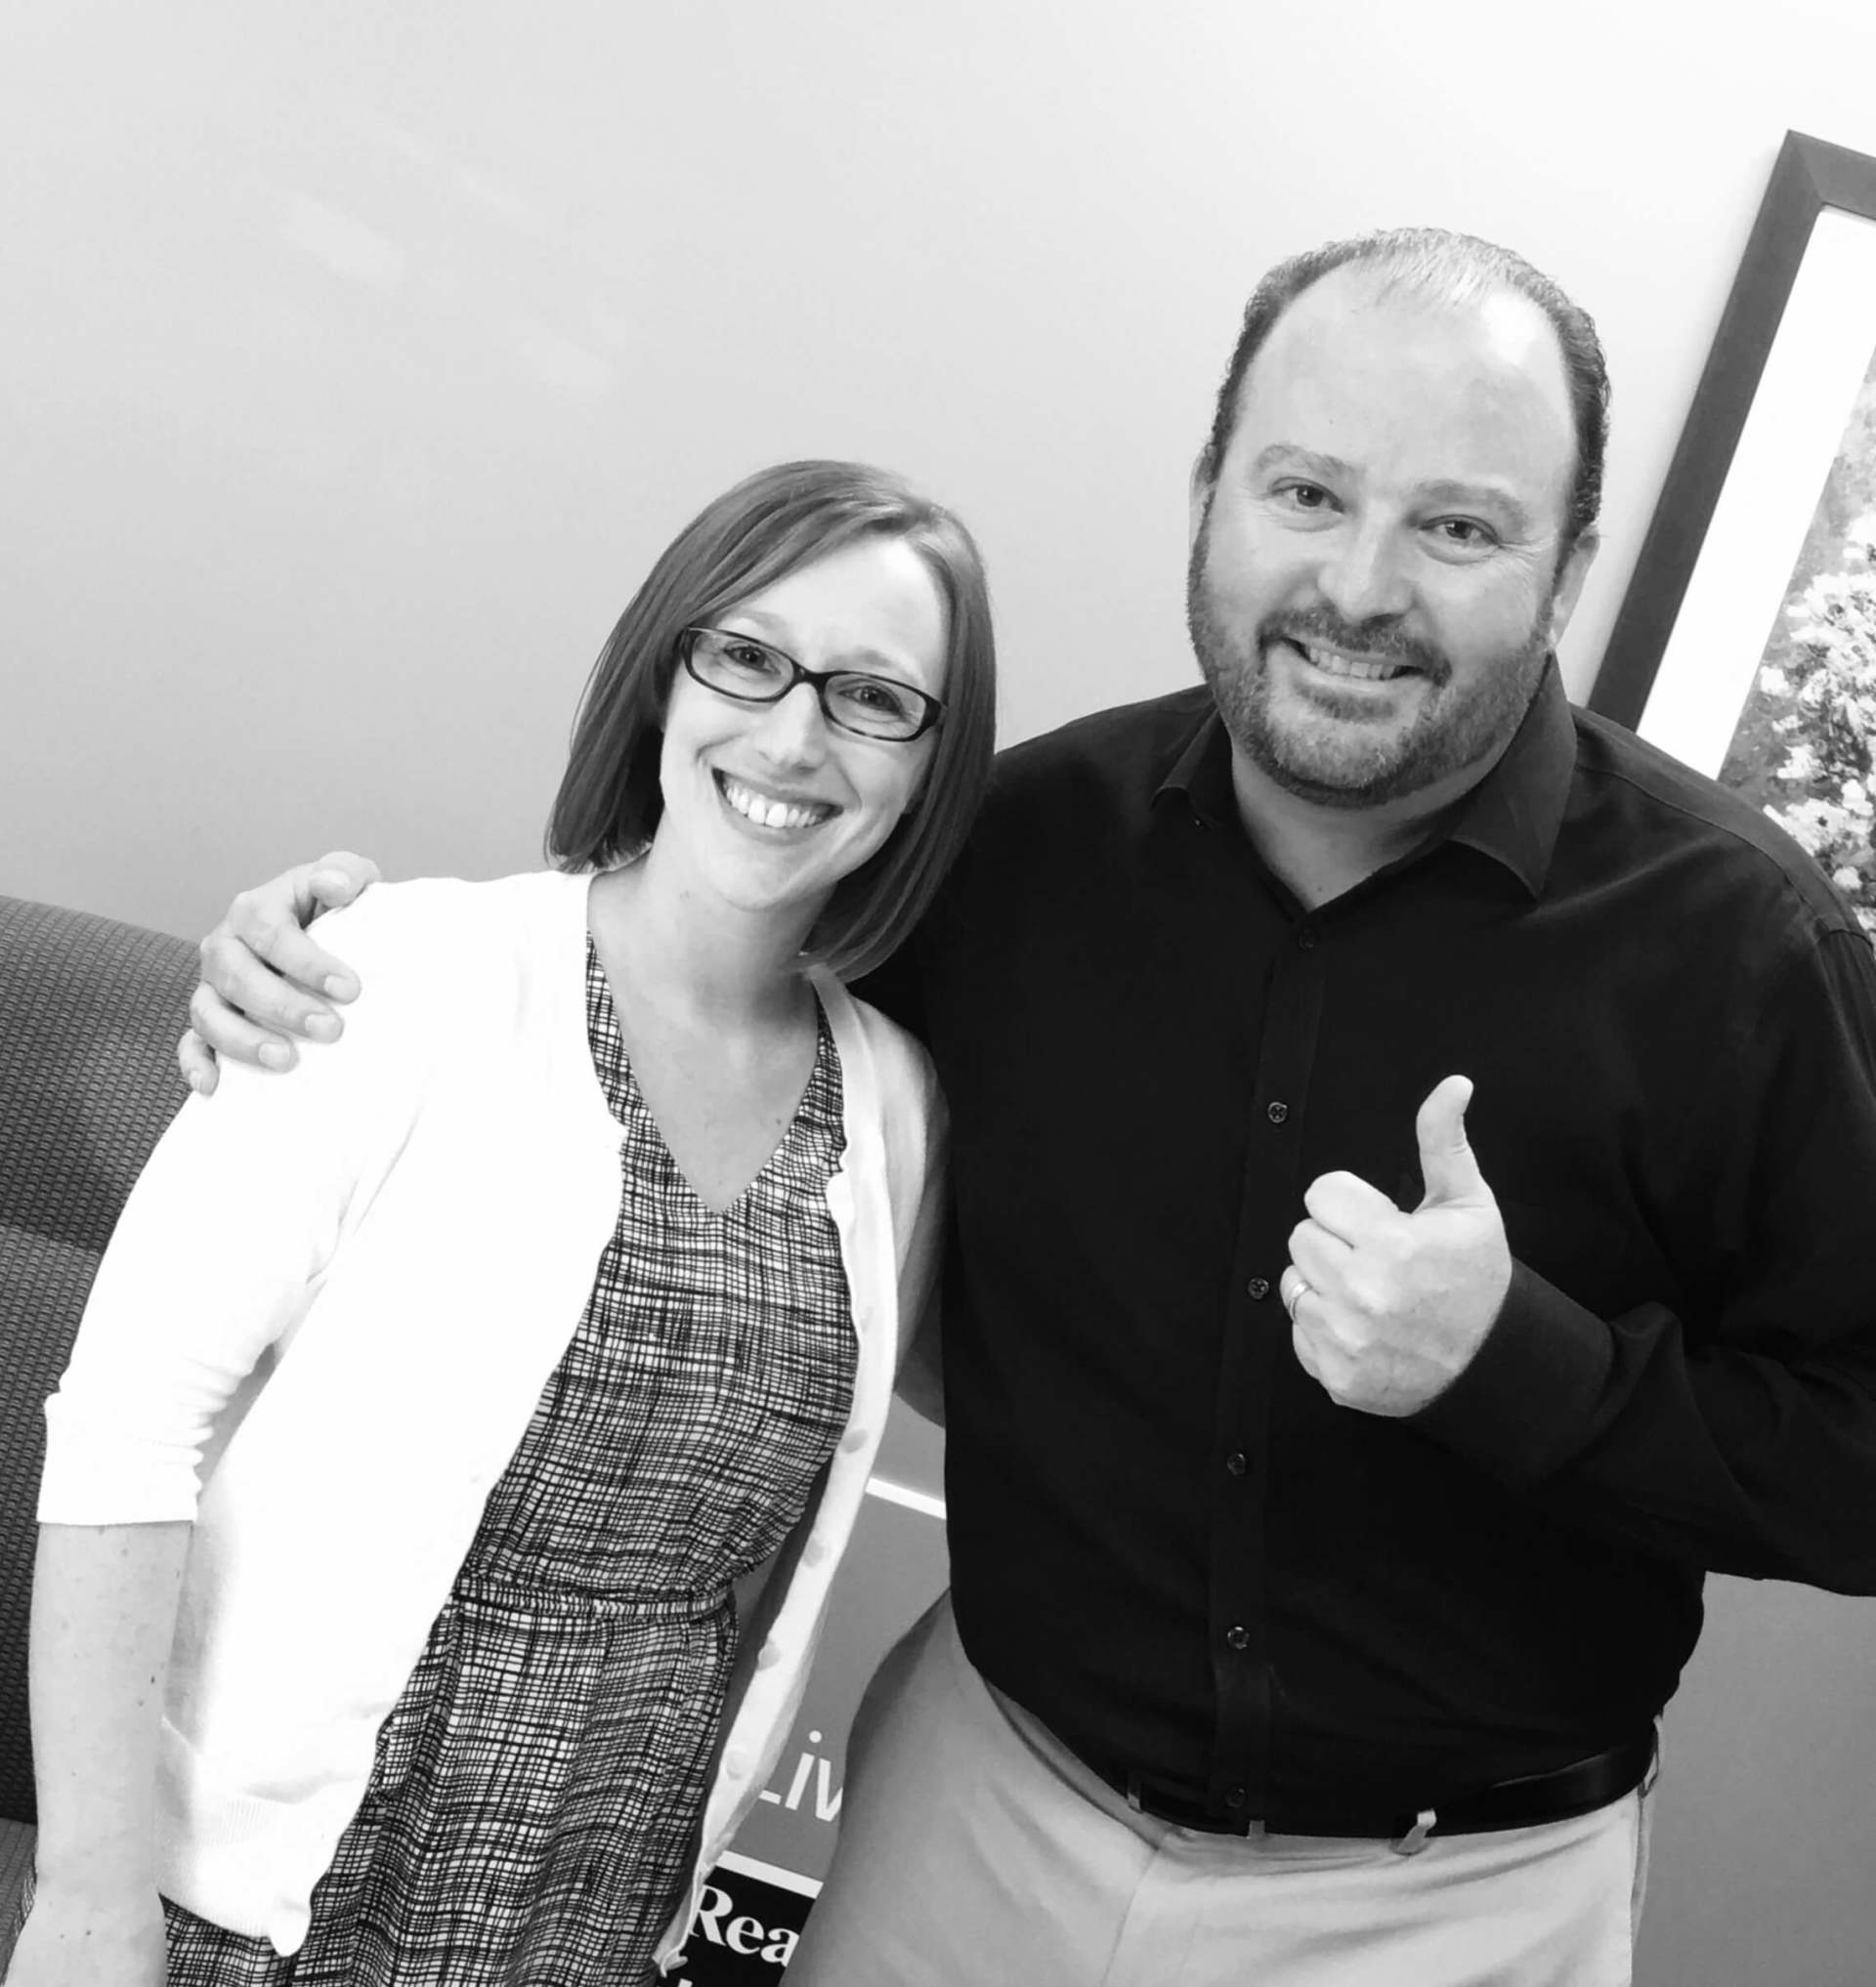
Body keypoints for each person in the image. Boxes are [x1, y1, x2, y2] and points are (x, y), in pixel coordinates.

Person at [182, 229, 1876, 1987]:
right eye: (1306, 490)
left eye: (1457, 525)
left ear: (1568, 564)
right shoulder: (1011, 846)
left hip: (1444, 1910)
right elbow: (674, 973)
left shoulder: (1747, 951)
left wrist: (1521, 1367)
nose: (1360, 585)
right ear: (1210, 492)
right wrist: (330, 976)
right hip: (975, 1820)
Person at [12, 458, 996, 1987]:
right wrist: (87, 1905)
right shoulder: (391, 975)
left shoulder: (899, 1111)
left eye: (874, 698)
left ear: (931, 762)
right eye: (746, 656)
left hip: (596, 1917)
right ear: (664, 676)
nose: (795, 735)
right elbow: (130, 1423)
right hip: (253, 1896)